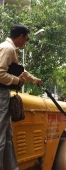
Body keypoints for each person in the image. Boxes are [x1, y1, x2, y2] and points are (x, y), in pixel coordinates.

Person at [0, 24, 42, 170]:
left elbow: (21, 72)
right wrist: (17, 81)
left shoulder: (10, 49)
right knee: (1, 137)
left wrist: (34, 79)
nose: (26, 42)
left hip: (4, 94)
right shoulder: (8, 48)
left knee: (7, 137)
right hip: (1, 93)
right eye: (27, 39)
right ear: (21, 37)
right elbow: (0, 73)